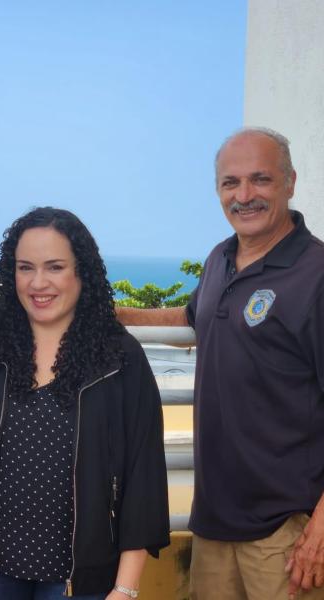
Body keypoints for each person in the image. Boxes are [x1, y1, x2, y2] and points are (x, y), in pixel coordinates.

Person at [118, 127, 324, 600]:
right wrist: (111, 316)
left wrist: (319, 532)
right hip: (214, 524)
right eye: (231, 183)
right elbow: (193, 320)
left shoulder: (315, 276)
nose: (244, 195)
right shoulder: (221, 258)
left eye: (261, 180)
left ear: (290, 182)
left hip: (288, 532)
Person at [0, 207, 170, 600]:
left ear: (81, 272)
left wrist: (125, 587)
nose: (39, 283)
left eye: (55, 267)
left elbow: (144, 478)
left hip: (83, 578)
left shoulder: (119, 357)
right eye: (25, 268)